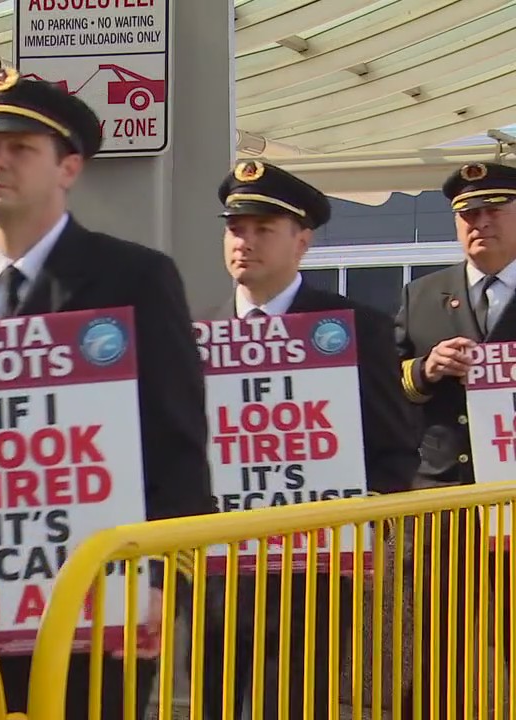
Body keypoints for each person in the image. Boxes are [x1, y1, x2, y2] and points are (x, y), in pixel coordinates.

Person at [0, 68, 214, 719]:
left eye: (20, 148)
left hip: (98, 603)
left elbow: (176, 445)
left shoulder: (135, 277)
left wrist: (163, 587)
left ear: (68, 167)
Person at [198, 160, 418, 719]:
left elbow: (392, 446)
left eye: (262, 229)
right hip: (213, 570)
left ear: (302, 240)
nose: (244, 242)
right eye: (235, 228)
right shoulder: (198, 332)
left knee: (291, 701)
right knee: (210, 700)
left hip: (312, 571)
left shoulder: (352, 326)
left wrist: (358, 519)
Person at [395, 161, 516, 719]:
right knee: (442, 643)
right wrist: (425, 369)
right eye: (468, 214)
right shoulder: (423, 294)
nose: (479, 223)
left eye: (494, 210)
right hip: (445, 500)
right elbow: (385, 384)